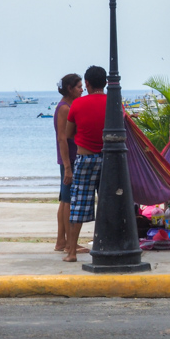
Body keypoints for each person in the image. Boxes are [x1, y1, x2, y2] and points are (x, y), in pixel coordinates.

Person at [63, 65, 108, 263]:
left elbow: (68, 134)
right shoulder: (115, 103)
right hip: (109, 160)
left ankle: (72, 252)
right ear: (106, 83)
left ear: (87, 83)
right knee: (109, 205)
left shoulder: (78, 105)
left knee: (78, 206)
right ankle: (108, 247)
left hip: (85, 158)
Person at [53, 73, 87, 254]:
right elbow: (62, 138)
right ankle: (68, 244)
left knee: (64, 200)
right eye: (79, 87)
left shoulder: (70, 106)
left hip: (70, 158)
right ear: (69, 89)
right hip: (70, 159)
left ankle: (61, 240)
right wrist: (67, 166)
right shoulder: (65, 108)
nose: (82, 89)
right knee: (68, 201)